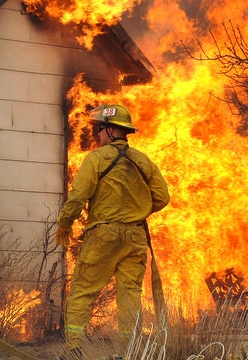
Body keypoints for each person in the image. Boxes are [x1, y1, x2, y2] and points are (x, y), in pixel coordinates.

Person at [55, 105, 170, 360]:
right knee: (129, 294)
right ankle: (126, 352)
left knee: (84, 289)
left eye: (100, 129)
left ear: (110, 130)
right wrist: (136, 211)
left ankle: (73, 348)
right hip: (136, 237)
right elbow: (163, 197)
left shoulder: (96, 158)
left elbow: (78, 196)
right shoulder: (142, 160)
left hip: (103, 234)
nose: (98, 135)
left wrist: (65, 223)